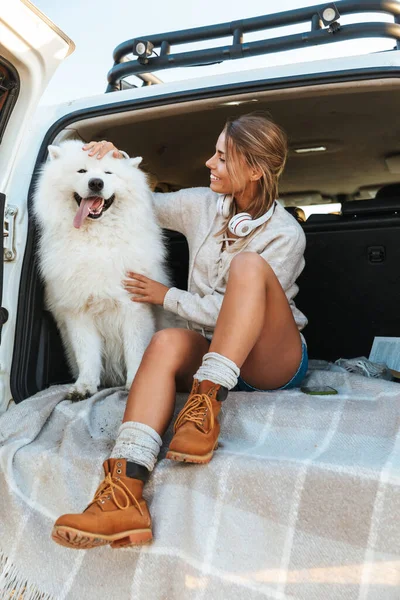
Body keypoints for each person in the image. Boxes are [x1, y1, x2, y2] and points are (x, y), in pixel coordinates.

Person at [51, 113, 308, 550]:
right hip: (209, 351)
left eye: (223, 158)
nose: (209, 163)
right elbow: (135, 196)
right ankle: (122, 494)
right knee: (167, 340)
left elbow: (229, 310)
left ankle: (204, 408)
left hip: (269, 359)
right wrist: (112, 161)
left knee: (248, 267)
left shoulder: (286, 233)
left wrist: (166, 296)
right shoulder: (201, 205)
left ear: (255, 169)